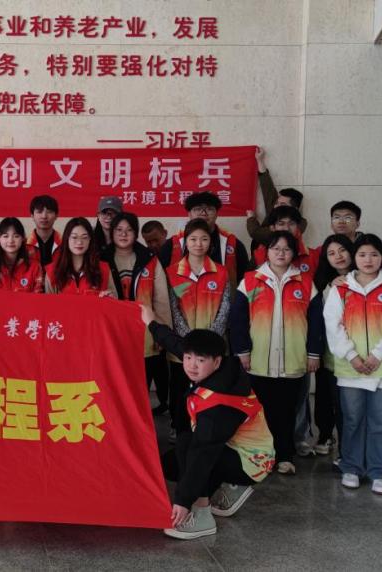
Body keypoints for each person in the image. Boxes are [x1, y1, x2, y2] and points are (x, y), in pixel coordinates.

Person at [141, 306, 274, 541]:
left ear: (216, 361)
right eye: (188, 358)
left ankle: (202, 516)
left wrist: (183, 501)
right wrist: (150, 322)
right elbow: (177, 344)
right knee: (171, 465)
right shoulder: (219, 367)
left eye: (200, 360)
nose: (191, 365)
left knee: (189, 449)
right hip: (232, 446)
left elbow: (202, 452)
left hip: (251, 461)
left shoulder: (219, 405)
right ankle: (229, 486)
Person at [323, 235, 382, 494]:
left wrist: (378, 355)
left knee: (381, 422)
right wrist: (351, 356)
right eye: (362, 254)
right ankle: (351, 467)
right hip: (350, 368)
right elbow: (333, 326)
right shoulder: (341, 289)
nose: (368, 260)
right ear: (355, 258)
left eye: (374, 254)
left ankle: (379, 471)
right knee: (352, 420)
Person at [231, 231, 323, 476]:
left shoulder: (306, 282)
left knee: (287, 411)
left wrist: (314, 354)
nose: (281, 253)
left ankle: (284, 456)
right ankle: (262, 457)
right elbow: (238, 321)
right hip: (259, 360)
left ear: (294, 253)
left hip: (293, 359)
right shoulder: (250, 280)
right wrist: (242, 351)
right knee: (260, 412)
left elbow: (316, 323)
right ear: (266, 252)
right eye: (276, 248)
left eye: (286, 249)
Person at [165, 218, 232, 435]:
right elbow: (172, 309)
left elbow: (225, 306)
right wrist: (189, 341)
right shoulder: (172, 272)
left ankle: (206, 431)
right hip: (182, 348)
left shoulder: (221, 272)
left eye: (204, 239)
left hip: (212, 347)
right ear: (185, 242)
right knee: (180, 391)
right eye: (193, 239)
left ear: (210, 242)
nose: (198, 244)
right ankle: (180, 430)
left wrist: (210, 340)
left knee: (211, 392)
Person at [102, 212, 172, 415]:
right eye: (119, 230)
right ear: (112, 232)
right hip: (112, 336)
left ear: (136, 233)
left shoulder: (149, 259)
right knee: (114, 390)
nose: (124, 234)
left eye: (129, 230)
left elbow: (161, 300)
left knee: (140, 391)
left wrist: (162, 333)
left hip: (145, 336)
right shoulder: (100, 259)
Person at [310, 234, 355, 458]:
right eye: (331, 253)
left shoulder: (364, 277)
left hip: (357, 353)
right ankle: (326, 434)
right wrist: (330, 287)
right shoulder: (321, 282)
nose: (338, 256)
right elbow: (319, 316)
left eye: (342, 250)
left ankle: (350, 450)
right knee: (325, 397)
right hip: (329, 352)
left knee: (349, 404)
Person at [160, 192, 250, 290]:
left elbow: (244, 281)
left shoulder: (233, 244)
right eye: (197, 209)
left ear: (217, 214)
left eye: (209, 209)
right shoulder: (172, 244)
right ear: (189, 214)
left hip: (223, 298)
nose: (203, 213)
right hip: (182, 298)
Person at [246, 147, 308, 246]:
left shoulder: (300, 224)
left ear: (294, 208)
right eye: (277, 203)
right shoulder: (275, 209)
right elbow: (268, 188)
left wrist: (251, 218)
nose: (276, 206)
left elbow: (255, 232)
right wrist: (260, 160)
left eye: (282, 204)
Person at [43, 218, 113, 295]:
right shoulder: (52, 272)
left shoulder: (104, 270)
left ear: (90, 240)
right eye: (74, 237)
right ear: (67, 239)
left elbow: (115, 299)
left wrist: (110, 297)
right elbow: (48, 302)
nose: (79, 242)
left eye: (84, 237)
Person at [0, 218, 44, 293]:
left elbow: (38, 297)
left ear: (23, 238)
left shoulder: (35, 267)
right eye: (6, 236)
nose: (11, 240)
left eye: (16, 236)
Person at [27, 195, 61, 267]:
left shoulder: (64, 243)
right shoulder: (24, 244)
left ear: (56, 216)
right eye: (39, 212)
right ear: (32, 216)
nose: (44, 216)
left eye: (49, 212)